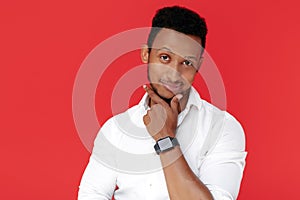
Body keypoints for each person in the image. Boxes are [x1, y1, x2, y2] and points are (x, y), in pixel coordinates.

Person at [78, 5, 246, 200]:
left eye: (187, 63)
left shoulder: (222, 128)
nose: (174, 74)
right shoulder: (116, 129)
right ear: (145, 55)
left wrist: (166, 139)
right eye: (164, 58)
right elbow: (92, 195)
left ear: (199, 65)